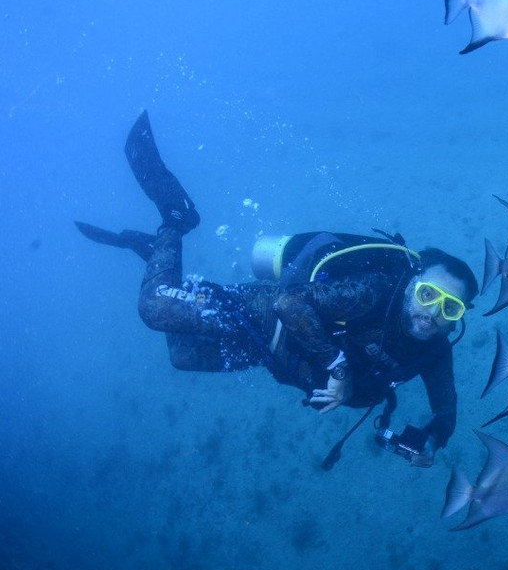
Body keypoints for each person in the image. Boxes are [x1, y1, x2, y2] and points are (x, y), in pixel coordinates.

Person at [76, 110, 479, 467]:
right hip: (257, 314)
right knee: (154, 308)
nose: (432, 313)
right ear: (411, 286)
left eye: (450, 308)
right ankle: (175, 218)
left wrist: (434, 438)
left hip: (268, 356)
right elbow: (291, 303)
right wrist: (338, 367)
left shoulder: (435, 351)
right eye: (429, 295)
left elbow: (446, 409)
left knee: (181, 354)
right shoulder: (375, 292)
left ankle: (157, 257)